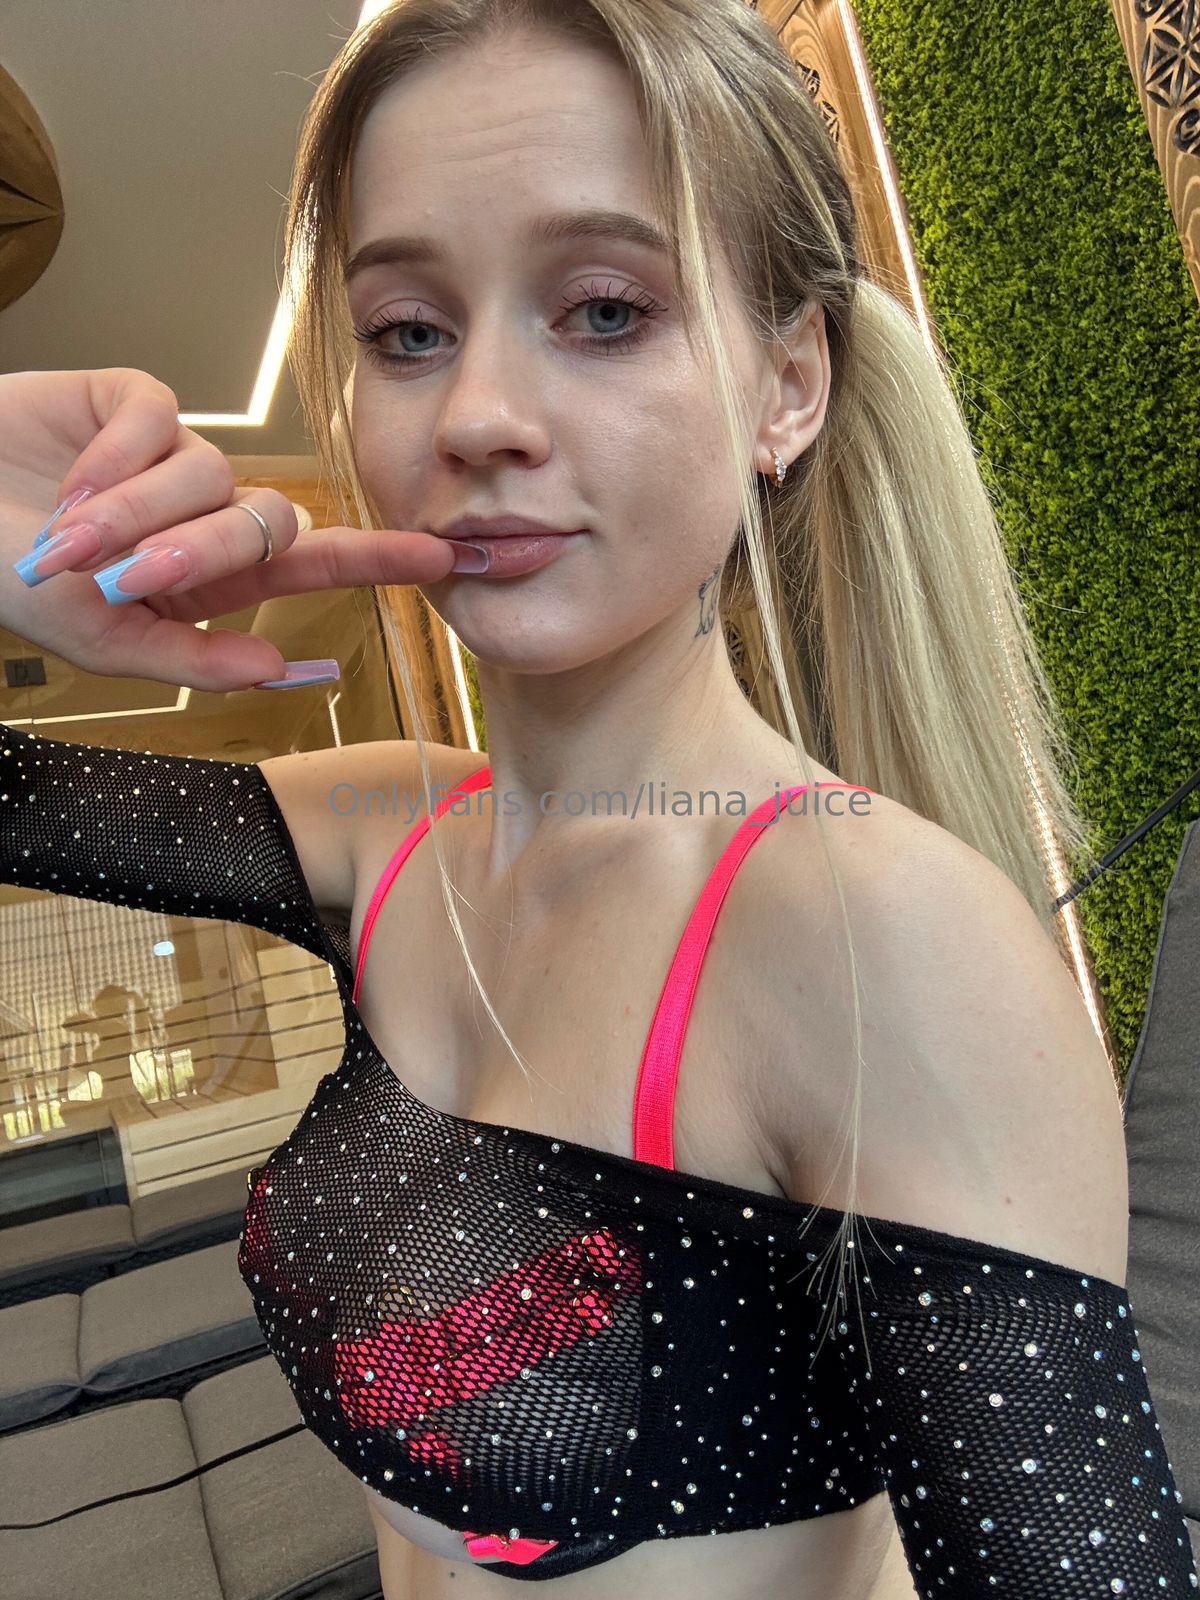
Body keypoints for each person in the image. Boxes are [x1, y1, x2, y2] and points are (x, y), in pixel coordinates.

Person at [0, 1, 1195, 1595]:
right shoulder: (385, 829)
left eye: (606, 309)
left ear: (788, 387)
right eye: (408, 332)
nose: (477, 414)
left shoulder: (879, 937)